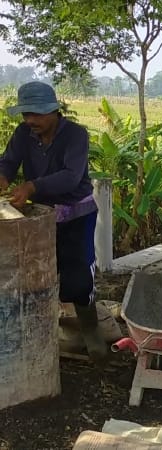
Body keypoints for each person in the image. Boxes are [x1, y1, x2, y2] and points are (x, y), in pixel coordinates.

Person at [0, 81, 107, 364]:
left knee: (79, 276)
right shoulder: (23, 134)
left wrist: (31, 186)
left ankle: (91, 329)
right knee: (39, 273)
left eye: (35, 114)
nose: (29, 120)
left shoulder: (75, 135)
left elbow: (72, 176)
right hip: (41, 217)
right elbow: (9, 161)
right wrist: (3, 176)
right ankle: (46, 331)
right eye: (25, 115)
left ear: (53, 111)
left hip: (77, 215)